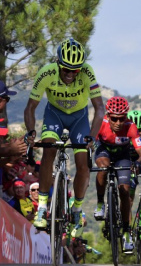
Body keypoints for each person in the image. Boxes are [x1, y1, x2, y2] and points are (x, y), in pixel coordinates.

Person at [24, 38, 105, 237]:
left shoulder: (87, 72)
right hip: (55, 115)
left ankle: (76, 209)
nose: (70, 75)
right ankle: (43, 206)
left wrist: (92, 138)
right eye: (66, 70)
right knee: (48, 150)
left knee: (83, 163)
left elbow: (100, 108)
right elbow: (30, 107)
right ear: (58, 64)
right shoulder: (47, 72)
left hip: (79, 118)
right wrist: (31, 132)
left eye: (75, 71)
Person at [94, 96, 141, 253]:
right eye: (114, 119)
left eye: (121, 119)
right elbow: (89, 144)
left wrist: (137, 163)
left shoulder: (131, 127)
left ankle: (126, 232)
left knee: (124, 191)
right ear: (108, 116)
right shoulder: (101, 124)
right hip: (104, 151)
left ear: (126, 117)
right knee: (103, 168)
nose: (118, 123)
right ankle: (100, 203)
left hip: (123, 157)